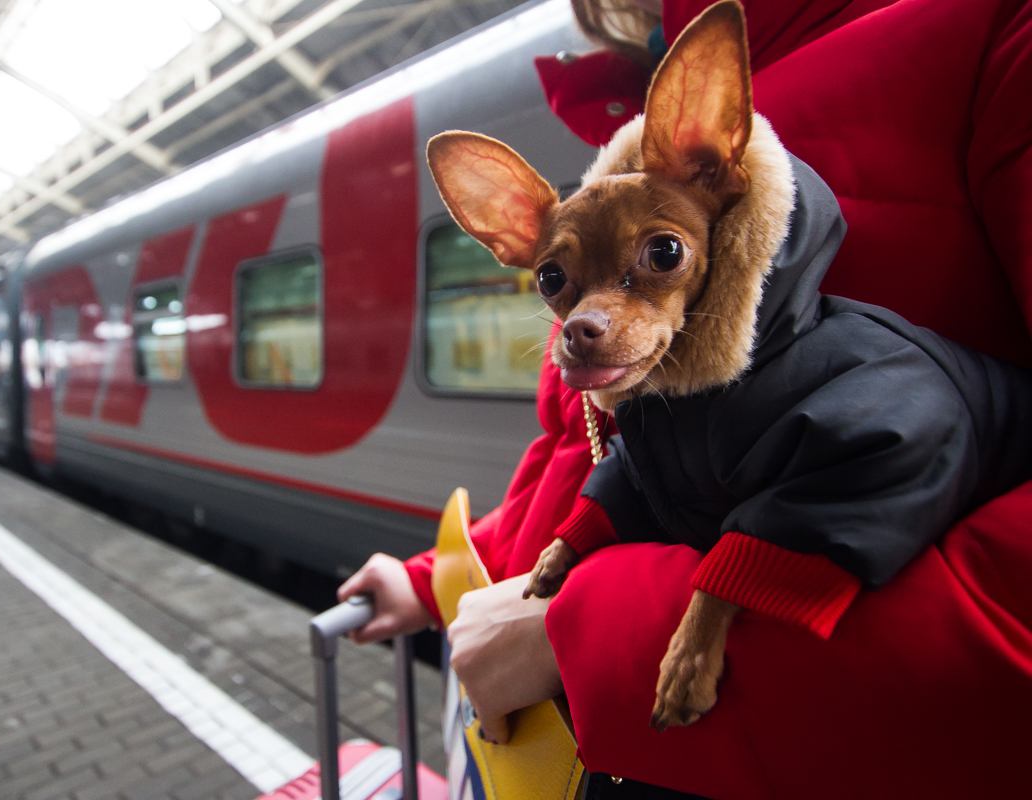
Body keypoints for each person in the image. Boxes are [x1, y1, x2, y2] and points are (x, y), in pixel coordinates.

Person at [339, 0, 1032, 796]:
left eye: (662, 256)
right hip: (538, 734)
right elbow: (598, 451)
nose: (584, 314)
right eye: (557, 285)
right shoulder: (625, 147)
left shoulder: (985, 31)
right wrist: (441, 580)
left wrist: (588, 637)